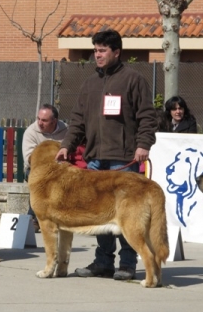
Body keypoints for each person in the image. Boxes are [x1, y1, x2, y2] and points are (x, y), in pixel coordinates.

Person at [55, 29, 157, 281]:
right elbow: (77, 119)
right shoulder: (89, 83)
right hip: (95, 159)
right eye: (95, 50)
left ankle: (128, 263)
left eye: (102, 51)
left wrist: (143, 144)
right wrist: (67, 144)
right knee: (98, 213)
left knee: (126, 215)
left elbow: (147, 116)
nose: (97, 55)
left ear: (116, 52)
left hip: (124, 159)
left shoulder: (133, 79)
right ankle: (103, 262)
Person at [21, 104, 68, 232]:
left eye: (44, 120)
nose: (40, 123)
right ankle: (34, 217)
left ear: (55, 121)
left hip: (61, 169)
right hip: (37, 169)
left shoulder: (66, 130)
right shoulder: (31, 132)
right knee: (39, 182)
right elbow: (30, 159)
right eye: (38, 119)